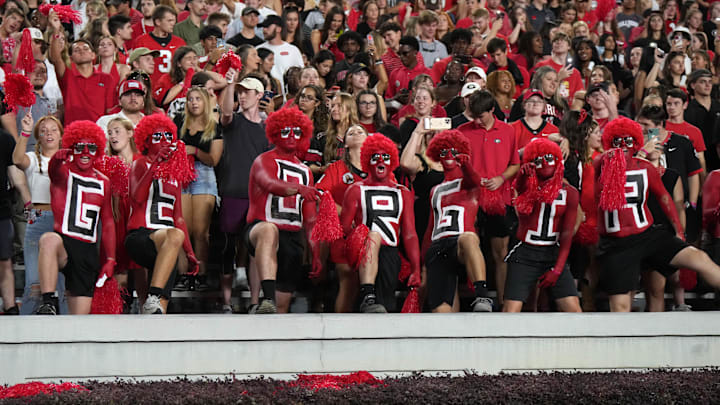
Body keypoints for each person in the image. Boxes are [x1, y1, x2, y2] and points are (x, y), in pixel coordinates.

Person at [594, 117, 720, 312]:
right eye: (617, 141)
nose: (623, 146)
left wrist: (678, 231)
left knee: (699, 259)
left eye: (628, 141)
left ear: (635, 142)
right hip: (617, 244)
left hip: (648, 235)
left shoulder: (645, 168)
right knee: (620, 307)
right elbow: (594, 152)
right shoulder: (600, 164)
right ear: (610, 143)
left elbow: (665, 199)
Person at [245, 107, 321, 314]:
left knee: (282, 305)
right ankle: (266, 297)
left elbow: (311, 219)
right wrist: (299, 189)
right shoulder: (263, 160)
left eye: (297, 131)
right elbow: (271, 184)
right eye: (285, 130)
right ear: (275, 132)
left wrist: (315, 253)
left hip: (293, 237)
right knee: (269, 230)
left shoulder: (306, 171)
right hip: (260, 228)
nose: (291, 136)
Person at [35, 121, 116, 315]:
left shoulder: (103, 182)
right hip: (63, 243)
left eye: (91, 147)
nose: (86, 152)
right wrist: (56, 159)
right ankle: (48, 302)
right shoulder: (63, 172)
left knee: (79, 323)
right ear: (72, 148)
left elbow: (108, 222)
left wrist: (111, 258)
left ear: (98, 150)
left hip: (87, 252)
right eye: (80, 147)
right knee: (48, 239)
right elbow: (54, 172)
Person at [125, 114, 199, 314]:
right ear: (146, 141)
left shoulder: (173, 175)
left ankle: (154, 304)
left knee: (158, 309)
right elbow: (137, 198)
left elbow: (179, 218)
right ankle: (154, 295)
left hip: (168, 244)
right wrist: (155, 163)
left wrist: (191, 253)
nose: (165, 141)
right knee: (174, 234)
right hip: (140, 236)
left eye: (168, 136)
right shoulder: (140, 164)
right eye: (158, 137)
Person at [340, 134, 420, 313]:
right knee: (374, 235)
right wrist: (361, 235)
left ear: (392, 161)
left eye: (386, 157)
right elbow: (344, 229)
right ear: (368, 160)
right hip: (361, 251)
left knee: (386, 304)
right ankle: (367, 294)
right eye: (375, 157)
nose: (381, 161)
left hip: (390, 252)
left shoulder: (403, 192)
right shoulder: (355, 190)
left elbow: (409, 233)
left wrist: (415, 268)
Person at [504, 138, 581, 313]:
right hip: (525, 253)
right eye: (538, 160)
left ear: (558, 160)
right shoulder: (528, 186)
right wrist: (523, 176)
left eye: (549, 158)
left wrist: (558, 268)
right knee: (510, 312)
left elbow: (568, 233)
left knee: (574, 311)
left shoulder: (570, 193)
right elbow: (522, 193)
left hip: (552, 253)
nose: (545, 163)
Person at [457, 90, 520, 307]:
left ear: (492, 110)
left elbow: (515, 164)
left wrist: (501, 179)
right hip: (470, 199)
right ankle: (476, 299)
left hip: (499, 199)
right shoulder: (462, 131)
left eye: (480, 115)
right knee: (467, 249)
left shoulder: (508, 131)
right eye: (472, 115)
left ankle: (503, 305)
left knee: (501, 253)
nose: (475, 120)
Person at [421, 130, 493, 313]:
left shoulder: (468, 182)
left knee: (468, 238)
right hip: (438, 246)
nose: (449, 156)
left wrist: (466, 163)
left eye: (453, 151)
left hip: (461, 243)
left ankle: (482, 295)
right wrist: (421, 265)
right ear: (437, 155)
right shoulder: (434, 190)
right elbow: (430, 227)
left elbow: (474, 180)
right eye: (444, 152)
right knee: (442, 313)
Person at [219, 72, 269, 314]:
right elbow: (226, 113)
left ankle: (254, 301)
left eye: (246, 91)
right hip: (232, 190)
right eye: (240, 92)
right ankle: (226, 302)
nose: (242, 95)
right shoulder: (234, 121)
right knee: (228, 246)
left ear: (259, 95)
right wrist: (230, 84)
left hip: (257, 196)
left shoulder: (268, 127)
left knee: (255, 248)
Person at [174, 87, 223, 291]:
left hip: (203, 173)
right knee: (182, 229)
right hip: (180, 173)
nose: (194, 103)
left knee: (200, 232)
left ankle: (201, 274)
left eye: (198, 99)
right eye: (191, 99)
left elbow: (213, 160)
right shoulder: (179, 123)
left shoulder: (214, 127)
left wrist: (193, 150)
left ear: (205, 103)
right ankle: (185, 275)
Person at [316, 124, 368, 312]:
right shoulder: (337, 168)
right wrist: (347, 215)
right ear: (344, 144)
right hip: (344, 233)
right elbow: (321, 194)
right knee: (348, 276)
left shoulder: (378, 166)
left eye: (361, 131)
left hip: (373, 234)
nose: (356, 133)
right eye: (351, 133)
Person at [48, 13, 114, 125]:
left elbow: (109, 111)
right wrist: (55, 30)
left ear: (93, 55)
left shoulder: (106, 79)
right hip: (72, 133)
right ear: (71, 58)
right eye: (76, 50)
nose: (81, 51)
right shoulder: (68, 75)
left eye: (85, 48)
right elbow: (56, 58)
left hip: (98, 132)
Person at [134, 5, 187, 86]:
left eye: (174, 21)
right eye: (169, 21)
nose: (173, 24)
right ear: (158, 22)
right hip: (149, 88)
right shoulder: (141, 41)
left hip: (172, 90)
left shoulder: (180, 42)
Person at [256, 15, 304, 98]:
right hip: (264, 95)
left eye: (267, 27)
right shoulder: (258, 49)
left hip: (289, 97)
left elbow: (301, 74)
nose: (264, 30)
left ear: (278, 29)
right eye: (263, 27)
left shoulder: (292, 50)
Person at [684, 69, 720, 171]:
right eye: (703, 82)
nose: (707, 85)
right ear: (693, 85)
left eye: (710, 82)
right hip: (700, 161)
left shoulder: (718, 106)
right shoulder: (688, 111)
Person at [664, 88, 706, 176]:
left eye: (676, 103)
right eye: (669, 104)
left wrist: (703, 184)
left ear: (685, 105)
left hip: (688, 176)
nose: (672, 107)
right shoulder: (658, 129)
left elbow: (701, 160)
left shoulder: (695, 131)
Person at [532, 32, 583, 101]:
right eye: (556, 41)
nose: (559, 42)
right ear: (552, 46)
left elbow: (579, 95)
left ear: (569, 46)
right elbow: (535, 89)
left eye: (562, 40)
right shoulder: (541, 65)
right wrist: (559, 78)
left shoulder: (575, 72)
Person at [511, 90, 563, 158]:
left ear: (544, 106)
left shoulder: (554, 130)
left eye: (539, 101)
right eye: (532, 101)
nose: (535, 104)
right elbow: (507, 156)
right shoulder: (513, 128)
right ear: (524, 105)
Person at [0, 126, 16, 314]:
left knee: (5, 260)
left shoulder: (5, 139)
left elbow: (15, 175)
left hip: (1, 209)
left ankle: (11, 306)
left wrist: (28, 201)